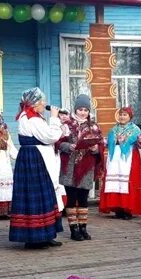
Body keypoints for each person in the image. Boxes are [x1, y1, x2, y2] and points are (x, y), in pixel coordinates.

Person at [9, 87, 65, 248]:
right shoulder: (31, 119)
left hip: (35, 157)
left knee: (44, 195)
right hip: (34, 159)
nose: (45, 104)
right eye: (42, 101)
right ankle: (34, 237)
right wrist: (54, 119)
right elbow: (50, 137)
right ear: (34, 104)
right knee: (36, 195)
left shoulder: (33, 117)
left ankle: (45, 234)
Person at [58, 94, 104, 241]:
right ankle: (73, 229)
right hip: (70, 166)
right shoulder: (67, 125)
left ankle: (83, 227)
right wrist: (68, 146)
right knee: (72, 198)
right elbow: (58, 142)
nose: (83, 112)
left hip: (86, 166)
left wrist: (96, 149)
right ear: (75, 110)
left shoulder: (94, 126)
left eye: (85, 109)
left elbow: (101, 144)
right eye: (80, 109)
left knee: (83, 198)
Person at [99, 106, 141, 219]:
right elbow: (107, 143)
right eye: (121, 114)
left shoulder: (135, 129)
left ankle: (128, 209)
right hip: (114, 159)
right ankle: (118, 208)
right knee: (115, 183)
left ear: (130, 117)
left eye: (125, 115)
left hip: (129, 158)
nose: (122, 117)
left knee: (126, 182)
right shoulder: (113, 129)